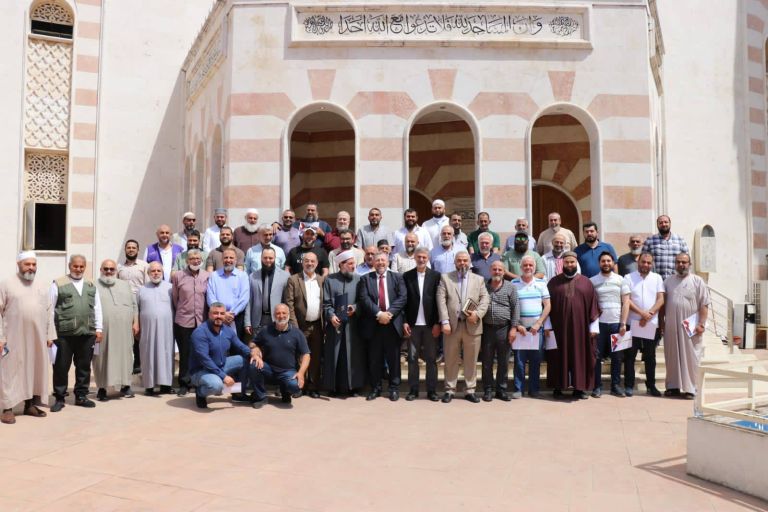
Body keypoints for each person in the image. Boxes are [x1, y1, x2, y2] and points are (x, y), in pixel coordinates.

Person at [0, 252, 56, 424]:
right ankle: (7, 409)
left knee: (33, 369)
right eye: (27, 264)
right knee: (10, 372)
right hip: (13, 337)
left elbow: (49, 311)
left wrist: (50, 335)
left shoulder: (42, 285)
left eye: (34, 264)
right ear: (18, 264)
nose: (31, 267)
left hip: (37, 338)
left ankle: (29, 405)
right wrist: (1, 337)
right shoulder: (6, 284)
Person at [50, 254, 103, 412]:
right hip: (64, 334)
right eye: (75, 266)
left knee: (84, 366)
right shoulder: (58, 284)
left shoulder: (91, 284)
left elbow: (97, 308)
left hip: (87, 333)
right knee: (61, 367)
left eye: (81, 266)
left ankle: (81, 396)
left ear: (85, 267)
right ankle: (59, 398)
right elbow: (50, 309)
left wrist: (98, 329)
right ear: (69, 266)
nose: (78, 269)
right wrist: (50, 333)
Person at [437, 251, 490, 403]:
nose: (462, 263)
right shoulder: (445, 278)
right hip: (452, 327)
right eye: (459, 260)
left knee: (471, 360)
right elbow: (441, 300)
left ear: (469, 262)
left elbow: (485, 299)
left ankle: (470, 390)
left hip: (472, 326)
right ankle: (449, 389)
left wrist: (477, 314)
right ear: (455, 263)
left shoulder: (479, 279)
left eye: (465, 260)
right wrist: (445, 321)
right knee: (450, 359)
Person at [547, 251, 600, 400]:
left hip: (581, 329)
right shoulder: (553, 282)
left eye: (572, 262)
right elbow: (546, 306)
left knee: (580, 356)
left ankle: (579, 388)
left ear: (576, 263)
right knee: (558, 356)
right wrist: (547, 326)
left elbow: (594, 305)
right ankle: (558, 387)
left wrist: (593, 327)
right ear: (562, 263)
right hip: (558, 328)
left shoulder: (586, 282)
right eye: (567, 262)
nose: (569, 265)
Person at [188, 302, 260, 409]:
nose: (219, 316)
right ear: (209, 314)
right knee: (216, 385)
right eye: (215, 313)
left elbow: (240, 346)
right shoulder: (200, 332)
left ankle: (237, 393)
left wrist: (253, 353)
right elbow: (205, 359)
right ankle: (200, 392)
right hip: (201, 370)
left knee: (245, 360)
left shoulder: (227, 330)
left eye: (222, 313)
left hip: (221, 365)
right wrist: (224, 376)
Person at [358, 252, 407, 401]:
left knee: (394, 359)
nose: (380, 262)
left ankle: (394, 388)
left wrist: (389, 314)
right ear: (373, 263)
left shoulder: (397, 277)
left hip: (392, 324)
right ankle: (376, 388)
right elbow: (364, 299)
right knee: (375, 359)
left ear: (388, 262)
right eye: (377, 260)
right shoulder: (365, 279)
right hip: (374, 324)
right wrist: (379, 314)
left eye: (383, 260)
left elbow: (402, 297)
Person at [662, 253, 710, 399]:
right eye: (678, 262)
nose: (681, 265)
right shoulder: (668, 281)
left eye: (684, 262)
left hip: (691, 327)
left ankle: (691, 388)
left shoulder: (697, 281)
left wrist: (701, 324)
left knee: (691, 357)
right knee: (672, 356)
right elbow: (662, 303)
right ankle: (673, 386)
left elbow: (704, 304)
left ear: (689, 264)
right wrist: (661, 323)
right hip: (671, 326)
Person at [94, 259, 138, 401]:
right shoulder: (93, 286)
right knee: (101, 358)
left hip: (124, 330)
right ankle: (102, 388)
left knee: (126, 357)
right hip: (103, 331)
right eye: (105, 269)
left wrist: (136, 322)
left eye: (111, 269)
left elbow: (134, 305)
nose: (108, 271)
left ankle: (126, 385)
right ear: (101, 270)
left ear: (116, 271)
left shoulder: (125, 285)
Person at [322, 251, 366, 396]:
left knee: (353, 356)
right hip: (335, 325)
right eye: (350, 264)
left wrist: (354, 308)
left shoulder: (359, 280)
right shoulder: (329, 280)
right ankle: (333, 388)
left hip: (353, 326)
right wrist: (331, 316)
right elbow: (326, 303)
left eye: (354, 263)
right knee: (335, 355)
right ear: (341, 264)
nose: (354, 266)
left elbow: (363, 301)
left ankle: (354, 387)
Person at [250, 304, 311, 406]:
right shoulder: (266, 330)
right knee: (253, 364)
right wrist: (255, 351)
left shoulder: (297, 333)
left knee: (295, 387)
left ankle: (285, 391)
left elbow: (306, 355)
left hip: (287, 372)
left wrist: (301, 373)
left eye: (284, 313)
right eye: (278, 313)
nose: (281, 316)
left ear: (288, 314)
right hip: (269, 370)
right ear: (274, 315)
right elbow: (253, 343)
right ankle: (261, 397)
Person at [402, 247, 441, 401]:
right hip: (413, 325)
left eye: (424, 257)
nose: (421, 259)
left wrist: (438, 323)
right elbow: (404, 301)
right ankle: (413, 390)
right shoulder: (407, 276)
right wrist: (405, 321)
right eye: (419, 257)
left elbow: (439, 301)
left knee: (431, 359)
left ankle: (431, 390)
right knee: (412, 359)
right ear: (415, 258)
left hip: (430, 325)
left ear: (428, 258)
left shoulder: (436, 276)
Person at [284, 251, 325, 398]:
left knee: (315, 356)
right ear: (302, 263)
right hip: (300, 325)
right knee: (299, 356)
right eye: (307, 261)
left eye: (312, 261)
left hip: (317, 325)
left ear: (317, 263)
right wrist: (294, 326)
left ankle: (313, 387)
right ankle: (300, 386)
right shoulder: (293, 280)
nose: (309, 264)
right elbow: (289, 304)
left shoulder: (321, 280)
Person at [590, 252, 630, 397]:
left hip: (616, 324)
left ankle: (615, 386)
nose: (606, 263)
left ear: (613, 263)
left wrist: (623, 323)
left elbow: (626, 303)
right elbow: (591, 305)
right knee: (597, 356)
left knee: (617, 357)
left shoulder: (621, 280)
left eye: (608, 261)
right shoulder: (592, 281)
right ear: (599, 263)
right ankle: (596, 386)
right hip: (599, 325)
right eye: (603, 261)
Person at [624, 252, 665, 397]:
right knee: (630, 356)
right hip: (632, 322)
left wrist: (649, 314)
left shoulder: (657, 278)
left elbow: (661, 299)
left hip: (651, 324)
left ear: (652, 264)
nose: (646, 265)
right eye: (643, 262)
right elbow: (627, 300)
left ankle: (651, 385)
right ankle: (629, 385)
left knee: (650, 356)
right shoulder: (628, 277)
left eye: (648, 262)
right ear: (638, 262)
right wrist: (642, 313)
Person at [171, 249, 210, 396]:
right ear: (187, 261)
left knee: (201, 352)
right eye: (192, 258)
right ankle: (184, 383)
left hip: (202, 321)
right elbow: (175, 298)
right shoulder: (178, 276)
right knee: (185, 353)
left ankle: (198, 381)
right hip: (183, 320)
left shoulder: (207, 276)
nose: (195, 261)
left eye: (198, 258)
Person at [511, 256, 551, 398]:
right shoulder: (514, 283)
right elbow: (511, 306)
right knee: (519, 361)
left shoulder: (541, 283)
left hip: (536, 329)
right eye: (525, 265)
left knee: (535, 360)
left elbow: (547, 305)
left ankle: (534, 389)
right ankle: (518, 389)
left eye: (530, 265)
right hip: (520, 329)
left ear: (534, 267)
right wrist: (517, 325)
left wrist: (539, 323)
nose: (528, 267)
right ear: (521, 267)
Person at [481, 260, 521, 402]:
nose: (497, 272)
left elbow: (516, 308)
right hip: (487, 329)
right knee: (487, 361)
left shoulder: (511, 287)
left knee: (503, 361)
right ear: (490, 271)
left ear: (504, 272)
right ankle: (488, 390)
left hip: (504, 328)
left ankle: (501, 390)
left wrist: (514, 328)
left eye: (500, 269)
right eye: (494, 269)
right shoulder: (483, 286)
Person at [138, 262, 175, 395]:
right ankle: (149, 386)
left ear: (163, 273)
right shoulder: (141, 289)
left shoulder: (171, 288)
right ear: (148, 273)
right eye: (153, 271)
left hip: (166, 330)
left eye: (159, 271)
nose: (156, 273)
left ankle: (166, 386)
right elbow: (137, 309)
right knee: (148, 355)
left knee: (166, 354)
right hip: (147, 330)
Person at [244, 247, 290, 337]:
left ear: (275, 258)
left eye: (270, 258)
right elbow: (249, 301)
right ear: (261, 258)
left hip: (278, 320)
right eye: (265, 258)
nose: (268, 260)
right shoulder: (252, 277)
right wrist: (247, 322)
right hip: (257, 321)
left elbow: (287, 301)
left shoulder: (285, 276)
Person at [206, 247, 250, 340]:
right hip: (217, 317)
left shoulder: (243, 276)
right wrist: (222, 314)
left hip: (237, 317)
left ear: (236, 260)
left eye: (231, 258)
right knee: (218, 345)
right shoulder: (214, 276)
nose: (228, 260)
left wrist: (231, 314)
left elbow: (244, 298)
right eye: (226, 257)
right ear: (222, 259)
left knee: (236, 345)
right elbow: (210, 297)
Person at [117, 239, 147, 374]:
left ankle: (138, 363)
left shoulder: (144, 266)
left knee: (138, 333)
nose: (131, 250)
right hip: (124, 303)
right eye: (128, 247)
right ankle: (126, 363)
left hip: (140, 302)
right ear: (125, 250)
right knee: (125, 333)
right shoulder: (119, 267)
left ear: (138, 250)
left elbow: (147, 285)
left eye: (133, 248)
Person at [642, 215, 690, 280]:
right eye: (660, 223)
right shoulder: (650, 240)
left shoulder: (680, 240)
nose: (663, 224)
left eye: (666, 222)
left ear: (670, 223)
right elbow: (643, 260)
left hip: (676, 280)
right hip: (656, 281)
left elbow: (687, 260)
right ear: (657, 225)